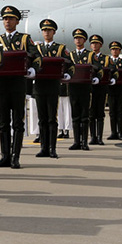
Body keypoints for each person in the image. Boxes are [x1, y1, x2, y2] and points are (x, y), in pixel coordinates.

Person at [0, 6, 41, 169]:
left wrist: (33, 68)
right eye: (5, 19)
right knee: (3, 122)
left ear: (17, 21)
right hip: (1, 84)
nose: (7, 21)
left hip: (18, 84)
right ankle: (4, 155)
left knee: (18, 122)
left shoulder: (25, 39)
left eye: (11, 18)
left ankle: (15, 156)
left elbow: (37, 57)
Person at [33, 20, 74, 159]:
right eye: (44, 30)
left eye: (49, 30)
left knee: (52, 119)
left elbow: (71, 65)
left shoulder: (61, 49)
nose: (46, 32)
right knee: (42, 119)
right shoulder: (36, 49)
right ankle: (43, 148)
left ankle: (52, 148)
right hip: (39, 86)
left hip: (53, 86)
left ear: (54, 32)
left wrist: (68, 75)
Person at [67, 29, 100, 151]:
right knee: (75, 115)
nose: (78, 40)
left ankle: (84, 141)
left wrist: (97, 78)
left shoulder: (90, 55)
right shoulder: (70, 55)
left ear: (84, 40)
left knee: (85, 115)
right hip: (73, 87)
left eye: (80, 38)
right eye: (76, 38)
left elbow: (99, 68)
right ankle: (76, 141)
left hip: (86, 88)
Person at [88, 35, 111, 145]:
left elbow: (113, 70)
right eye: (92, 43)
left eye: (96, 43)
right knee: (91, 113)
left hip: (102, 88)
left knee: (100, 113)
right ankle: (93, 137)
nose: (94, 45)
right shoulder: (87, 56)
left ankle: (100, 137)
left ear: (100, 45)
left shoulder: (105, 59)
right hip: (90, 88)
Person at [106, 41, 122, 141]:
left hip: (120, 89)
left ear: (120, 51)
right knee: (112, 112)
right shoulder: (107, 61)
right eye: (113, 49)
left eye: (116, 49)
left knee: (119, 111)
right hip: (111, 89)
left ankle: (120, 132)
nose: (114, 51)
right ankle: (113, 132)